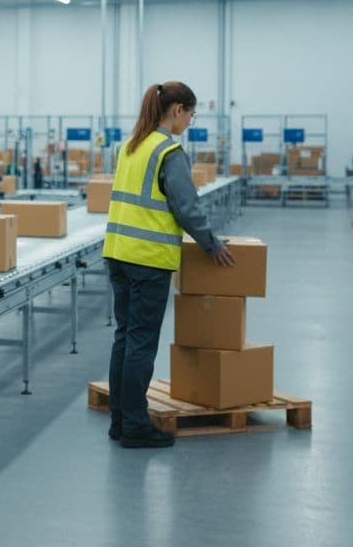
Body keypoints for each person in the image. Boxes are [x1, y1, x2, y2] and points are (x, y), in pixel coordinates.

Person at [103, 81, 235, 448]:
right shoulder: (168, 151)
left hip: (117, 252)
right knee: (141, 343)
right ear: (177, 110)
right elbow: (186, 206)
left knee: (124, 338)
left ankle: (119, 421)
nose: (190, 122)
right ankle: (134, 428)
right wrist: (211, 244)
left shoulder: (130, 146)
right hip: (147, 259)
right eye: (191, 114)